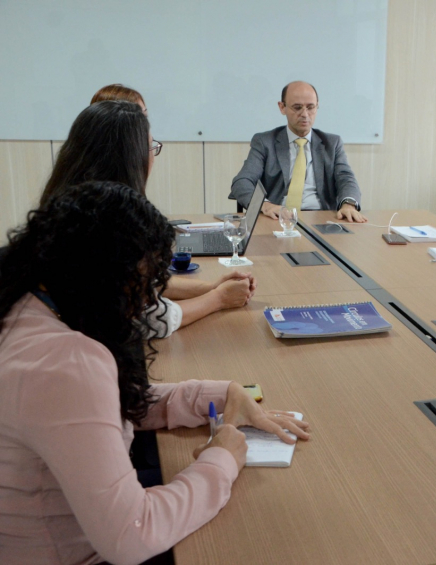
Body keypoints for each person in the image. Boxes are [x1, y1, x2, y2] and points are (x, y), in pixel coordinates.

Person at [0, 181, 310, 564]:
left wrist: (219, 393)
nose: (148, 301)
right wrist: (221, 460)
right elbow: (132, 534)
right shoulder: (66, 363)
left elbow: (92, 415)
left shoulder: (26, 307)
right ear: (102, 277)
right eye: (143, 285)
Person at [42, 99, 255, 337]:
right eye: (152, 147)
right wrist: (218, 299)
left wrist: (210, 287)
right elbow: (147, 319)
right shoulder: (111, 217)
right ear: (131, 158)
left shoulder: (65, 198)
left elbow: (138, 283)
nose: (153, 155)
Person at [230, 81, 366, 223]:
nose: (305, 114)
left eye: (310, 107)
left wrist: (348, 205)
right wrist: (265, 205)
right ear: (282, 107)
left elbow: (346, 178)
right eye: (297, 107)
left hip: (322, 218)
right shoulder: (265, 142)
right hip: (278, 218)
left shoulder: (332, 143)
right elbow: (242, 181)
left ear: (317, 106)